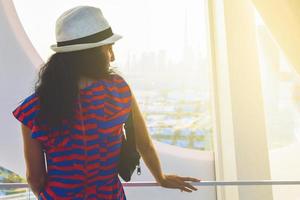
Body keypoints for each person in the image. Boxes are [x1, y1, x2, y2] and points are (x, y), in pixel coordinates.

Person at [11, 5, 201, 200]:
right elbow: (143, 144)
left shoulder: (34, 108)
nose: (113, 57)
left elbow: (36, 178)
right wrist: (160, 178)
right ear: (92, 54)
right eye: (108, 48)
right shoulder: (118, 89)